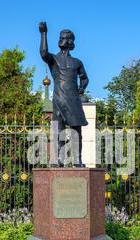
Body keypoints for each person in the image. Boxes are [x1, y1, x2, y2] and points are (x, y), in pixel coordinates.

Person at [39, 21, 89, 167]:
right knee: (58, 131)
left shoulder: (77, 62)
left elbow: (84, 78)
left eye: (64, 38)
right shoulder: (53, 59)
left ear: (70, 42)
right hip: (59, 100)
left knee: (76, 132)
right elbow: (43, 53)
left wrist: (82, 88)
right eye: (60, 37)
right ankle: (59, 159)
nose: (60, 40)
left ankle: (78, 160)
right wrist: (43, 33)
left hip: (74, 100)